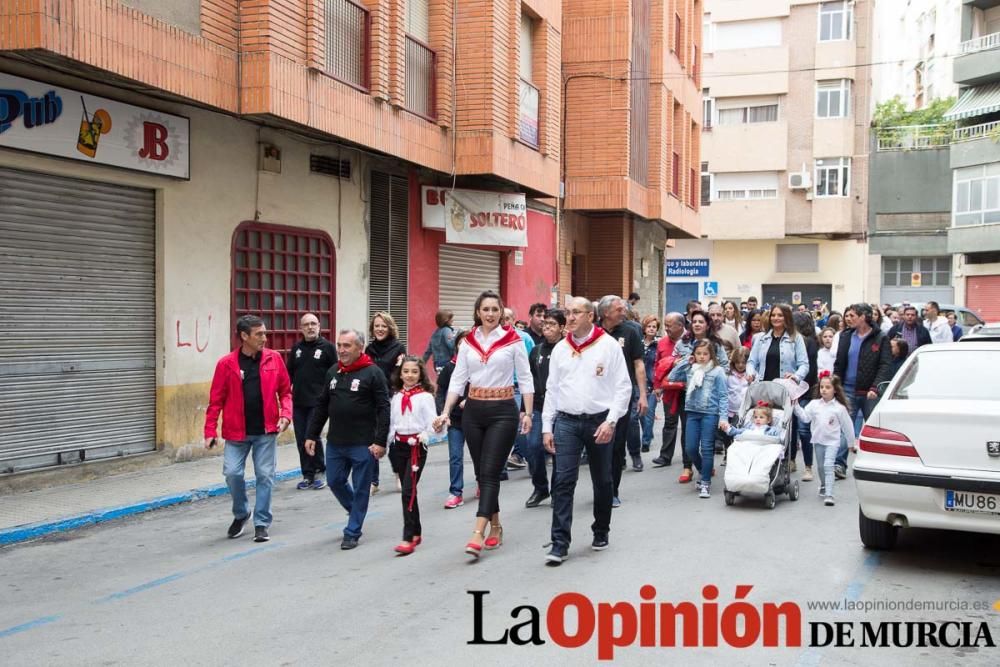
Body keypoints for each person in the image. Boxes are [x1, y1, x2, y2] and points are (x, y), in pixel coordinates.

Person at [435, 291, 533, 559]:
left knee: (491, 472)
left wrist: (527, 412)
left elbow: (525, 378)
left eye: (494, 309)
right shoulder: (467, 342)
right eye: (485, 309)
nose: (490, 314)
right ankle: (496, 526)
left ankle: (477, 531)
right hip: (473, 412)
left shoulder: (514, 340)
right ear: (478, 312)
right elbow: (458, 379)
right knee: (482, 473)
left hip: (503, 411)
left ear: (501, 312)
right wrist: (445, 412)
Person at [541, 297, 631, 566]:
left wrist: (611, 421)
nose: (569, 318)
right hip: (567, 422)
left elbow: (623, 387)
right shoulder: (560, 349)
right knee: (563, 481)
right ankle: (559, 543)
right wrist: (547, 426)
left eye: (575, 313)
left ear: (590, 316)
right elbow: (552, 390)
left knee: (602, 481)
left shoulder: (608, 346)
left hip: (599, 422)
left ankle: (601, 530)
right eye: (567, 313)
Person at [204, 315, 292, 543]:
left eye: (265, 333)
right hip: (236, 432)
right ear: (244, 336)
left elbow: (285, 392)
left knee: (265, 476)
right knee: (232, 474)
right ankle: (242, 513)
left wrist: (286, 414)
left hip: (266, 430)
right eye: (259, 334)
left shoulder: (274, 359)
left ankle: (261, 522)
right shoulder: (226, 364)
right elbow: (216, 400)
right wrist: (210, 431)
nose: (265, 337)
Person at [306, 329, 391, 550]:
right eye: (339, 345)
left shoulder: (373, 373)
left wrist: (380, 441)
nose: (341, 350)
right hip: (336, 441)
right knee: (334, 481)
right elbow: (322, 404)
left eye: (347, 346)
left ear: (359, 348)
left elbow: (384, 408)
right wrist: (311, 434)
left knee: (361, 488)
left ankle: (352, 531)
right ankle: (356, 510)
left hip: (364, 443)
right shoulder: (333, 372)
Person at [598, 295, 648, 506]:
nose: (623, 312)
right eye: (619, 309)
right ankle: (600, 487)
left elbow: (638, 364)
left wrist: (643, 395)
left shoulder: (630, 331)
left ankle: (612, 490)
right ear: (606, 313)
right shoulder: (594, 332)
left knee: (617, 446)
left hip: (622, 397)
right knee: (598, 446)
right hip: (597, 397)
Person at [386, 356, 439, 555]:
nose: (409, 375)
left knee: (407, 490)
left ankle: (407, 537)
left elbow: (432, 423)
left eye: (414, 372)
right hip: (399, 446)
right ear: (400, 374)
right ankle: (416, 530)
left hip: (417, 447)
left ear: (420, 374)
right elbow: (392, 423)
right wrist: (386, 443)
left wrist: (425, 435)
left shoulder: (425, 397)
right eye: (406, 371)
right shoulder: (396, 396)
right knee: (410, 491)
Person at [832, 303, 892, 479]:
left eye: (852, 316)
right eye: (847, 316)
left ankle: (880, 465)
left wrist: (875, 387)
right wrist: (836, 384)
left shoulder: (880, 338)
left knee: (875, 428)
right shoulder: (845, 336)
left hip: (870, 392)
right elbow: (839, 363)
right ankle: (839, 465)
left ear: (864, 317)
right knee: (845, 427)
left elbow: (885, 365)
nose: (848, 319)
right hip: (847, 390)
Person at [667, 340, 729, 499]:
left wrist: (723, 417)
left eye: (705, 354)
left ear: (711, 355)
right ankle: (703, 470)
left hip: (710, 413)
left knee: (707, 448)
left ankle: (705, 482)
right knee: (690, 448)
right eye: (698, 353)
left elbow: (723, 396)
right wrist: (684, 362)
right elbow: (672, 376)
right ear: (694, 354)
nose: (702, 357)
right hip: (692, 412)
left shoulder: (717, 371)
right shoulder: (690, 369)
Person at [286, 313, 335, 490]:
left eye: (313, 323)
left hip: (318, 402)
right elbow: (288, 374)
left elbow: (335, 373)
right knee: (301, 439)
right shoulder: (297, 349)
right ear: (301, 328)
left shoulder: (328, 348)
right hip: (299, 402)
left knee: (312, 436)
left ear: (319, 326)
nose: (310, 327)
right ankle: (307, 474)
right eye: (306, 324)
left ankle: (320, 471)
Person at [793, 372, 855, 506]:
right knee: (821, 467)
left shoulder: (839, 408)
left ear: (835, 390)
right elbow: (805, 417)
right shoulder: (814, 404)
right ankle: (823, 485)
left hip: (832, 442)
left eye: (828, 387)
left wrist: (851, 443)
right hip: (818, 441)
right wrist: (796, 406)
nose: (824, 390)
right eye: (822, 387)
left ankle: (829, 493)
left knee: (828, 466)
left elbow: (848, 426)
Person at [524, 309, 565, 508]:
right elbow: (529, 381)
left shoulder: (567, 350)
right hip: (539, 407)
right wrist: (526, 411)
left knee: (558, 450)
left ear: (562, 328)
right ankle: (540, 488)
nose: (547, 327)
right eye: (545, 323)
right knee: (533, 446)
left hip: (562, 409)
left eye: (552, 324)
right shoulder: (537, 351)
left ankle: (558, 490)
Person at [366, 311, 406, 495]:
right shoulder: (369, 350)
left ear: (390, 328)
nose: (380, 329)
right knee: (373, 438)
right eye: (377, 326)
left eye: (383, 326)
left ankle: (398, 474)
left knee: (391, 438)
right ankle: (373, 480)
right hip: (371, 399)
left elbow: (400, 374)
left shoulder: (398, 348)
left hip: (391, 398)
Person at [436, 330, 469, 509]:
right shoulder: (450, 367)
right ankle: (456, 492)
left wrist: (470, 400)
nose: (463, 346)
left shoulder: (480, 366)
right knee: (455, 457)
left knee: (480, 456)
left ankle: (483, 484)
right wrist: (443, 412)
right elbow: (441, 391)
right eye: (460, 343)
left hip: (475, 420)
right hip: (455, 421)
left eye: (467, 343)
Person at [651, 312, 688, 469]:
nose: (665, 328)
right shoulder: (662, 343)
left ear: (680, 326)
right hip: (669, 390)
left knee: (687, 424)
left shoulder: (691, 340)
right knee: (670, 422)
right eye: (665, 325)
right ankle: (665, 456)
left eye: (669, 325)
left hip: (688, 390)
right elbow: (657, 364)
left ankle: (688, 458)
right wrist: (657, 385)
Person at [501, 306, 535, 472]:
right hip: (499, 388)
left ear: (514, 320)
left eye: (508, 318)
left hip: (517, 388)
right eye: (502, 318)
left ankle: (531, 458)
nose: (504, 321)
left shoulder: (524, 338)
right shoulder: (494, 338)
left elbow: (531, 362)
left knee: (518, 425)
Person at [746, 303, 808, 385]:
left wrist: (796, 376)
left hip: (786, 388)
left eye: (780, 315)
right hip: (762, 387)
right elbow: (751, 362)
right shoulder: (761, 338)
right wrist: (751, 373)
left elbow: (804, 364)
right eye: (773, 315)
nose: (776, 318)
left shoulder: (796, 337)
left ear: (787, 317)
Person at [792, 311, 819, 481]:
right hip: (796, 389)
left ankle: (807, 466)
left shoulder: (808, 343)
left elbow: (809, 369)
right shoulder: (793, 341)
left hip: (804, 390)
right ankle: (793, 460)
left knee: (802, 429)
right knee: (794, 427)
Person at [720, 346, 751, 465]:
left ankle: (739, 455)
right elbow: (724, 391)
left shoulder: (750, 375)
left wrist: (751, 381)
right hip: (729, 409)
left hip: (743, 411)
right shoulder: (729, 375)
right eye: (737, 362)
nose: (740, 365)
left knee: (739, 432)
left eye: (743, 363)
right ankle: (728, 453)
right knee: (727, 434)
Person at [639, 315, 660, 453]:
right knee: (641, 413)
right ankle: (648, 433)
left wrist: (659, 384)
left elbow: (660, 365)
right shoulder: (638, 343)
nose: (652, 329)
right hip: (639, 383)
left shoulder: (658, 345)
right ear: (644, 328)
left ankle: (645, 441)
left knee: (649, 412)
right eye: (649, 326)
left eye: (654, 327)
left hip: (653, 384)